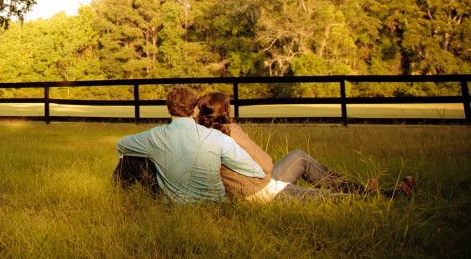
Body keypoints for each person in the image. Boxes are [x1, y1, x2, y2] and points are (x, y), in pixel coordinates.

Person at [195, 91, 416, 202]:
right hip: (261, 193)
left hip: (251, 187)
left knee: (299, 157)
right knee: (327, 198)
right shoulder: (230, 132)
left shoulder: (201, 134)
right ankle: (388, 196)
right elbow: (267, 164)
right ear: (224, 111)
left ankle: (362, 190)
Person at [114, 85, 266, 203]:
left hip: (174, 205)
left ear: (168, 109)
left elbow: (122, 145)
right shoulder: (216, 136)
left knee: (129, 158)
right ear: (194, 110)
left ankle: (119, 203)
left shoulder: (154, 136)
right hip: (215, 205)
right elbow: (254, 170)